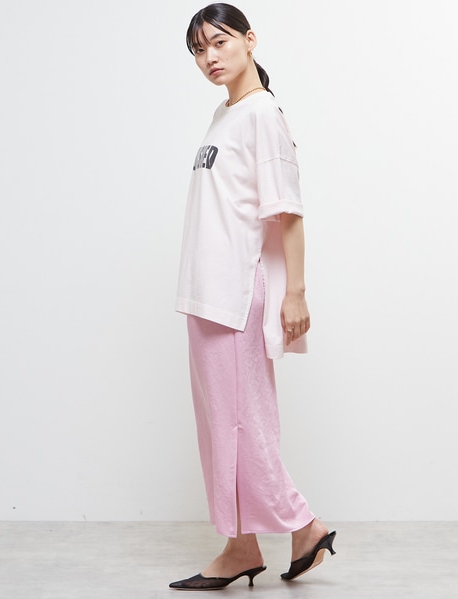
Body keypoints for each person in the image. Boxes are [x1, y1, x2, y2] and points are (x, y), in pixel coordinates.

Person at [171, 3, 336, 590]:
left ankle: (304, 525)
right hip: (205, 294)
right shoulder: (225, 115)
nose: (209, 57)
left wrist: (296, 293)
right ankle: (241, 545)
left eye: (218, 42)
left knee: (245, 427)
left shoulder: (263, 113)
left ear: (249, 40)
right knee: (222, 428)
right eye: (198, 49)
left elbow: (287, 210)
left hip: (238, 294)